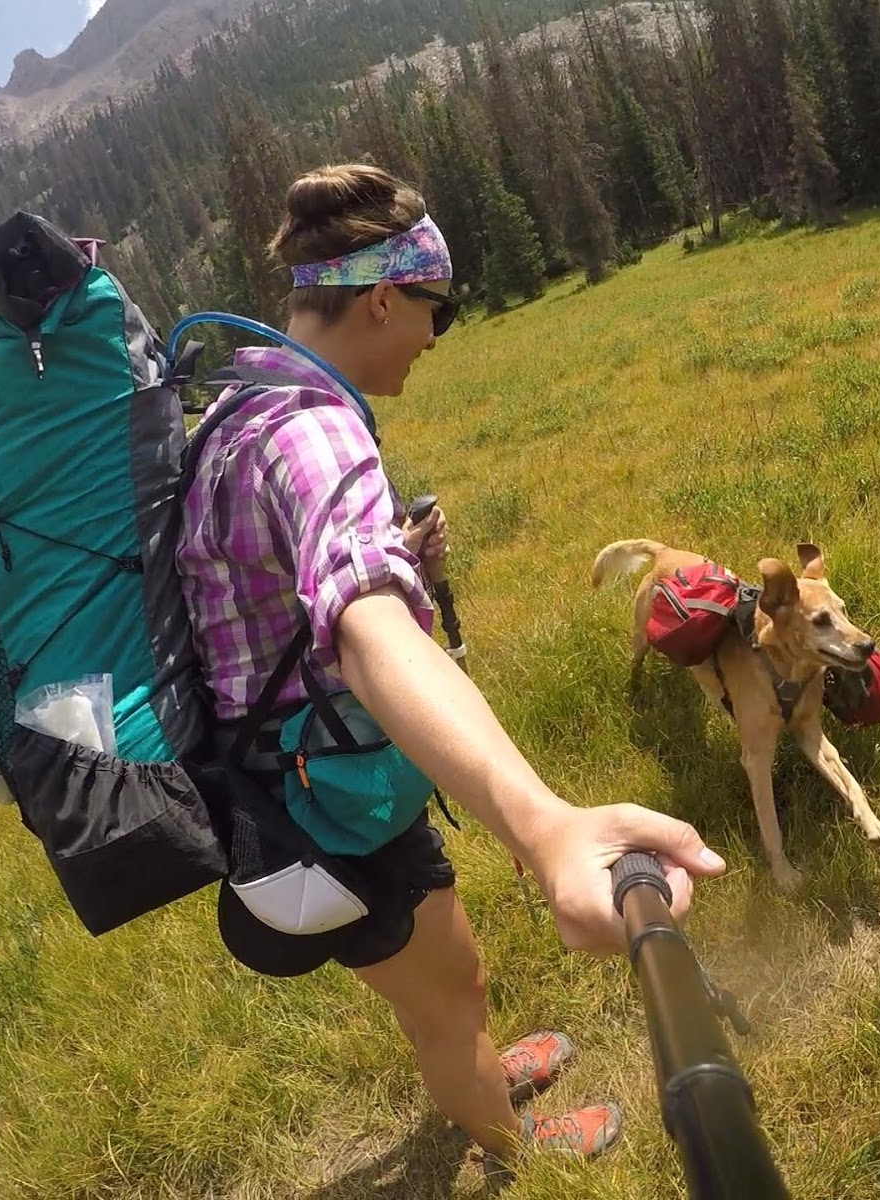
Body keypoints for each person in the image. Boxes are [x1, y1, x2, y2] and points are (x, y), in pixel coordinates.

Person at [175, 161, 727, 1175]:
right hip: (326, 805)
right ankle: (509, 1140)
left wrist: (398, 558)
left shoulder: (238, 406)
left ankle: (473, 1063)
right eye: (439, 308)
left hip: (301, 777)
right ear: (385, 297)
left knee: (440, 974)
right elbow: (366, 632)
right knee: (450, 993)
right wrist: (544, 824)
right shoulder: (313, 433)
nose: (437, 334)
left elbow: (287, 591)